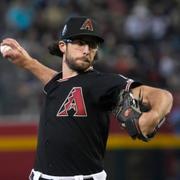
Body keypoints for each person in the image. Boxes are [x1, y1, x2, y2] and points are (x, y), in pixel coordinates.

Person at [0, 16, 173, 180]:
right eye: (80, 43)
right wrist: (27, 62)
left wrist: (153, 116)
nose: (86, 50)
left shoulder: (102, 83)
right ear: (62, 46)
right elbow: (57, 80)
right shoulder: (58, 83)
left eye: (92, 45)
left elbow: (163, 95)